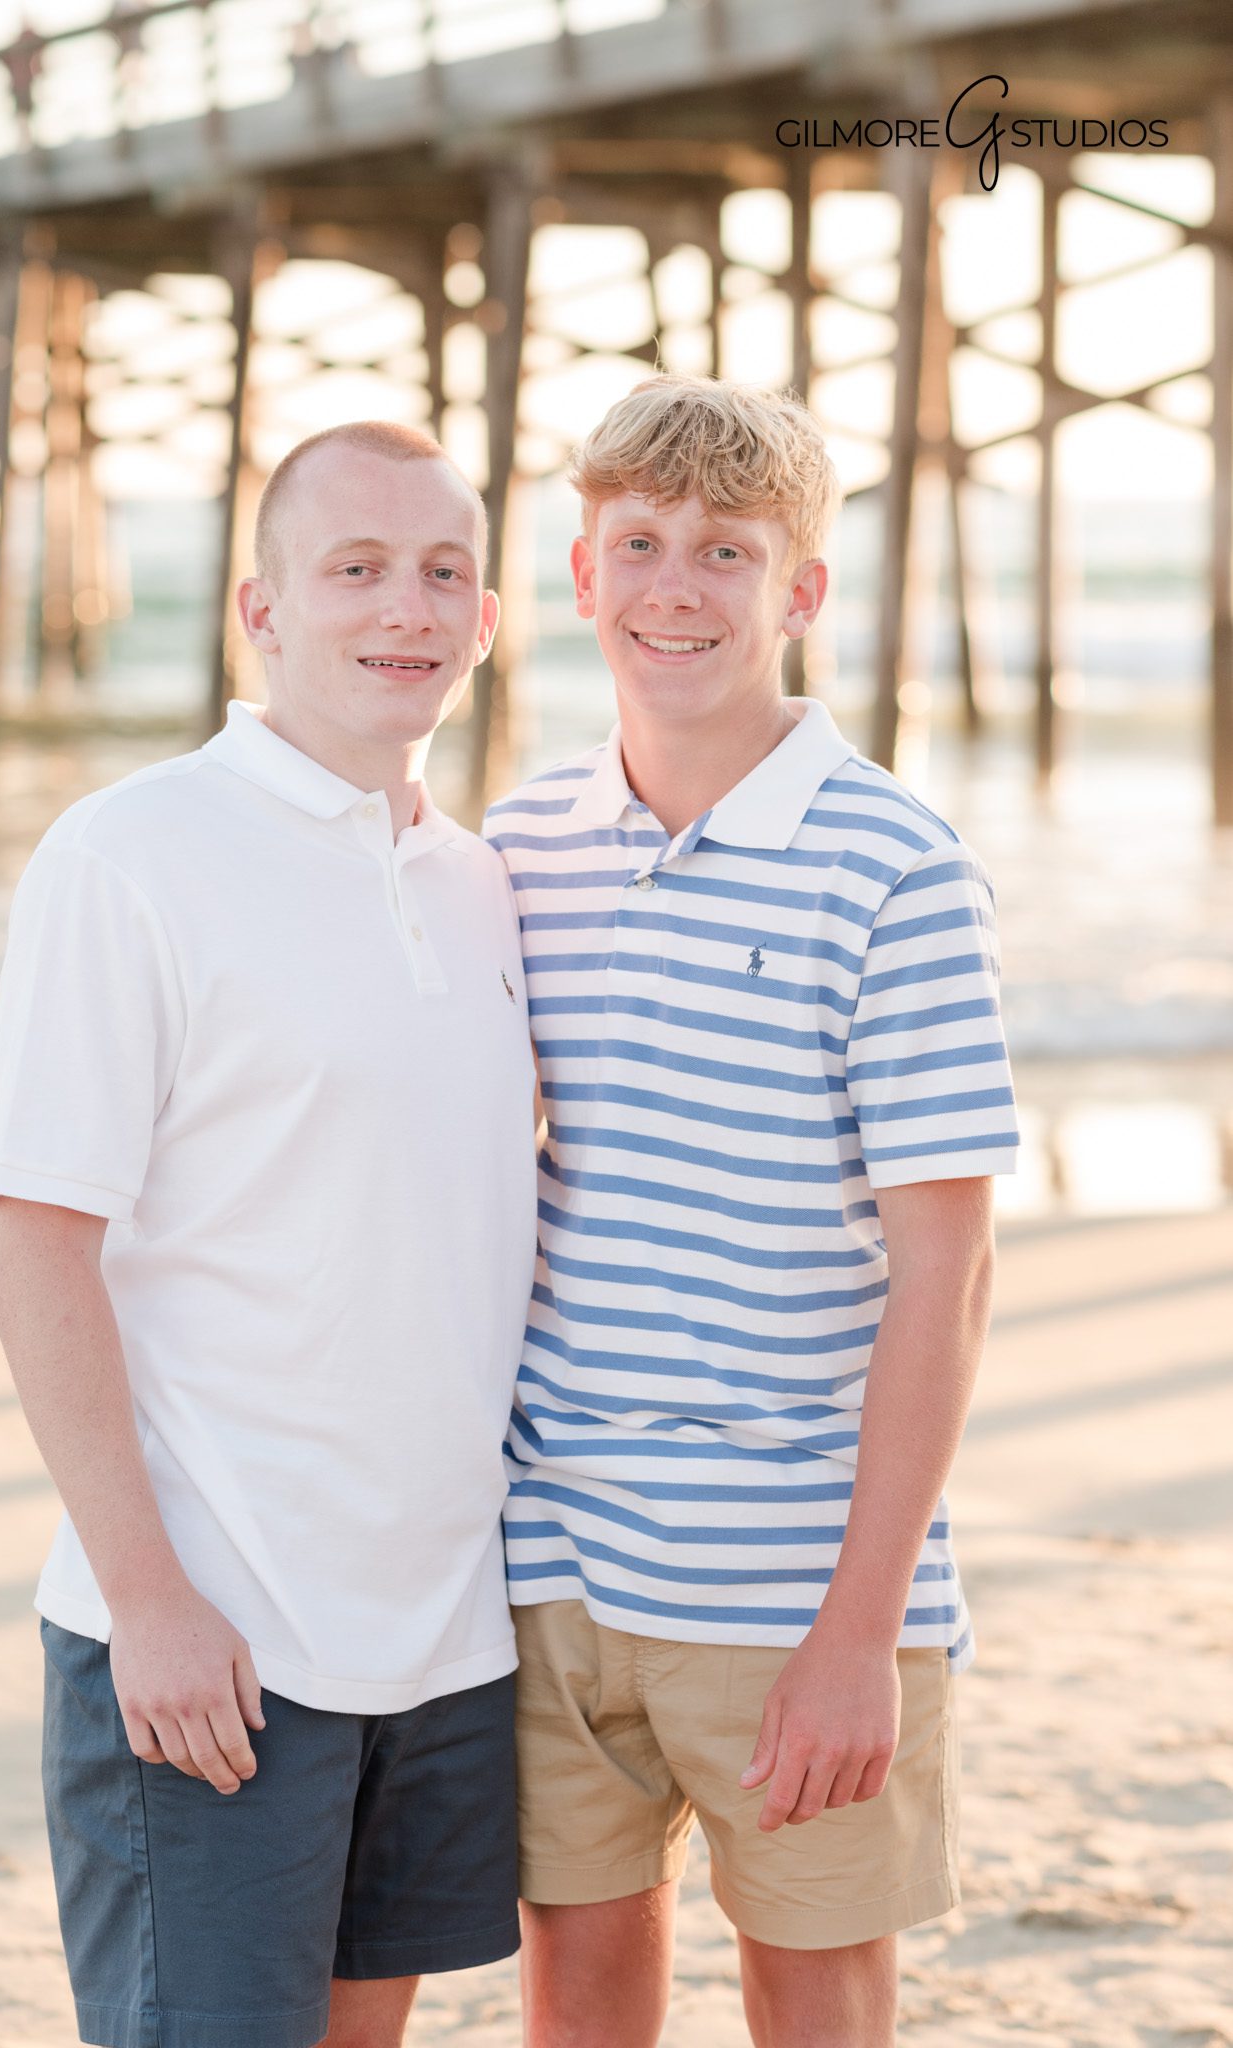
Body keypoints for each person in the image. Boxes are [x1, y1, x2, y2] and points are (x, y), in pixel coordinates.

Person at [0, 420, 538, 2048]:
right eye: (355, 568)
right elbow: (38, 1243)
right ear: (262, 610)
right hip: (214, 1641)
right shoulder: (131, 854)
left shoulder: (482, 885)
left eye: (444, 572)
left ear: (489, 620)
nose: (406, 607)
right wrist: (149, 1599)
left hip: (441, 1638)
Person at [484, 375, 1020, 2048]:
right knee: (576, 1982)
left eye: (727, 551)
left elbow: (948, 1272)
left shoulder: (896, 869)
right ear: (582, 576)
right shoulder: (518, 846)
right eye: (640, 544)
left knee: (815, 1994)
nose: (677, 587)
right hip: (549, 1557)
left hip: (797, 1577)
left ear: (801, 591)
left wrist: (861, 1629)